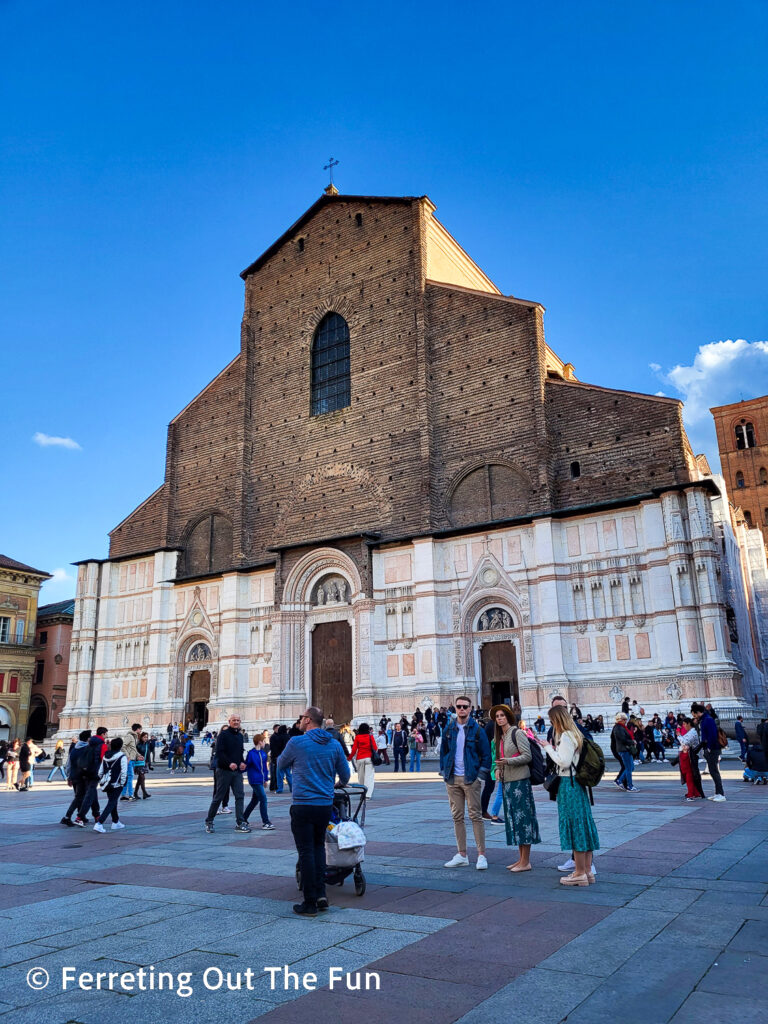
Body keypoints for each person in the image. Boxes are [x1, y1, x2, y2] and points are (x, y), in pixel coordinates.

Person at [277, 705, 350, 916]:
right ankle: (321, 895)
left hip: (302, 805)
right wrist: (333, 784)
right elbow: (345, 775)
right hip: (324, 806)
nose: (299, 720)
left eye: (301, 717)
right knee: (318, 849)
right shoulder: (334, 744)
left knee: (306, 851)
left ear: (308, 720)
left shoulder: (297, 742)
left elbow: (280, 763)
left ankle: (309, 902)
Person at [536, 705, 600, 886]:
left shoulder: (565, 735)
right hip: (577, 786)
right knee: (583, 824)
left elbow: (563, 762)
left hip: (568, 785)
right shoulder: (576, 734)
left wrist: (548, 748)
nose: (551, 724)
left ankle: (579, 873)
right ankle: (587, 871)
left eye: (552, 721)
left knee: (574, 826)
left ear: (557, 720)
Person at [439, 696, 491, 870]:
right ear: (455, 708)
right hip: (453, 779)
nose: (461, 709)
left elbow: (486, 755)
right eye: (458, 706)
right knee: (457, 817)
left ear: (470, 709)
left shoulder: (477, 730)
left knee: (475, 816)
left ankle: (481, 855)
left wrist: (479, 777)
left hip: (470, 778)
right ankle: (462, 854)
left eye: (465, 707)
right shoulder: (449, 729)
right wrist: (444, 772)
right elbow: (444, 752)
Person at [492, 705, 540, 872]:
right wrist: (498, 769)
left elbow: (527, 755)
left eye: (502, 715)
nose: (499, 718)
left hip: (520, 782)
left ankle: (526, 861)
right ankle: (521, 859)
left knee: (523, 820)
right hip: (507, 782)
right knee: (514, 820)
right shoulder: (501, 737)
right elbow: (499, 759)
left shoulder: (517, 733)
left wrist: (508, 762)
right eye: (497, 716)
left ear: (509, 717)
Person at [204, 714, 250, 833]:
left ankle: (240, 822)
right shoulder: (223, 735)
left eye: (238, 720)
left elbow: (240, 752)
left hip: (237, 771)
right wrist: (229, 763)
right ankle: (209, 820)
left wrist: (242, 762)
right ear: (229, 721)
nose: (236, 722)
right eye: (234, 720)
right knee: (219, 796)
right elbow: (220, 752)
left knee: (240, 796)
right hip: (224, 770)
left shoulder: (240, 736)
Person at [692, 702, 726, 801]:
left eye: (694, 714)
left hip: (712, 748)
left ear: (698, 712)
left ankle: (721, 794)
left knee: (714, 771)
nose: (694, 716)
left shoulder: (707, 720)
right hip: (709, 748)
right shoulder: (705, 720)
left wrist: (709, 748)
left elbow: (712, 735)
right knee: (712, 770)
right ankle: (717, 793)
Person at [94, 737, 128, 832]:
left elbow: (101, 770)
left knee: (113, 801)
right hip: (117, 783)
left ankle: (115, 822)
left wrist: (101, 780)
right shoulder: (122, 756)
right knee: (112, 802)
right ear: (120, 746)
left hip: (107, 782)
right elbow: (124, 771)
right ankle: (99, 823)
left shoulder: (105, 756)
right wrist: (122, 783)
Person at [244, 735, 274, 830]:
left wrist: (265, 779)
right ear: (260, 742)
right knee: (263, 799)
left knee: (255, 800)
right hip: (254, 779)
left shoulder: (263, 753)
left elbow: (265, 768)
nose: (265, 743)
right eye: (264, 741)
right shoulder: (251, 753)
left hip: (260, 780)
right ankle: (266, 822)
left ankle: (243, 818)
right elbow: (247, 765)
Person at [678, 718, 705, 801]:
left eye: (684, 724)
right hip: (687, 757)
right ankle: (695, 792)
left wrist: (679, 735)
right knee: (690, 776)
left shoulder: (693, 732)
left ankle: (693, 793)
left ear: (689, 724)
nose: (684, 726)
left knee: (690, 776)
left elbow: (685, 742)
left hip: (691, 757)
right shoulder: (690, 732)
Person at [348, 722, 377, 797]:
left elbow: (354, 749)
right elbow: (375, 748)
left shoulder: (357, 737)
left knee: (361, 777)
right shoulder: (370, 737)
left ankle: (362, 792)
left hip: (360, 759)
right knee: (369, 777)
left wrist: (349, 758)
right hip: (368, 758)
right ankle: (368, 795)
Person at [611, 713, 638, 792]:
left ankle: (619, 780)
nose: (626, 721)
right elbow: (622, 739)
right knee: (629, 768)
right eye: (624, 719)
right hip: (623, 750)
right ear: (620, 719)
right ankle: (630, 786)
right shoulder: (618, 728)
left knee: (631, 767)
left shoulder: (622, 727)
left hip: (626, 749)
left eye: (626, 719)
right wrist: (632, 742)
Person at [121, 723, 141, 801]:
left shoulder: (134, 737)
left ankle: (123, 795)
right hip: (129, 760)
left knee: (127, 777)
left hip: (132, 759)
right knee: (130, 776)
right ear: (137, 729)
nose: (140, 731)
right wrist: (127, 756)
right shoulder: (129, 736)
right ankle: (130, 795)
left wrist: (138, 755)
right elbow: (123, 746)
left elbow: (133, 749)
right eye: (140, 729)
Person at [134, 733, 151, 799]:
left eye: (146, 737)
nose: (146, 738)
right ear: (141, 737)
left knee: (140, 779)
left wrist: (149, 764)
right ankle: (144, 792)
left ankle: (135, 793)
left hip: (144, 763)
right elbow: (135, 754)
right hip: (139, 763)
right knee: (142, 777)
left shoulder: (147, 745)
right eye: (144, 737)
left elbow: (148, 754)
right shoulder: (138, 745)